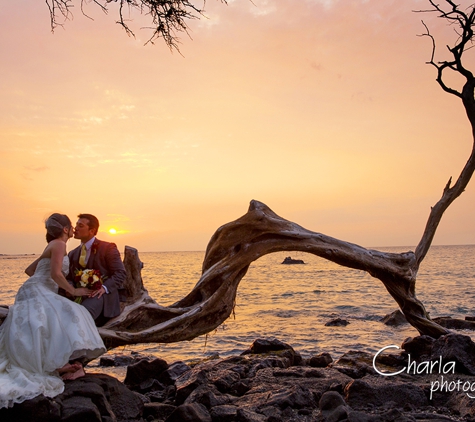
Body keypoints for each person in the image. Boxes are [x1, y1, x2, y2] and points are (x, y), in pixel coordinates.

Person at [0, 213, 106, 409]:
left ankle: (60, 363)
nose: (74, 228)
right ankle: (62, 362)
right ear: (65, 229)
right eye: (72, 226)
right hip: (39, 290)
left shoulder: (53, 245)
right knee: (76, 312)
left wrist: (46, 273)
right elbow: (56, 274)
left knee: (54, 318)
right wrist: (74, 290)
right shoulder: (59, 244)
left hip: (34, 288)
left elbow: (30, 271)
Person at [68, 214, 126, 326]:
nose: (76, 228)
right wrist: (71, 290)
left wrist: (104, 288)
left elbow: (120, 273)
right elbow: (69, 277)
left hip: (102, 296)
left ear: (92, 230)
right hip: (79, 296)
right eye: (76, 225)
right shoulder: (73, 254)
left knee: (82, 316)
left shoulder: (108, 248)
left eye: (80, 225)